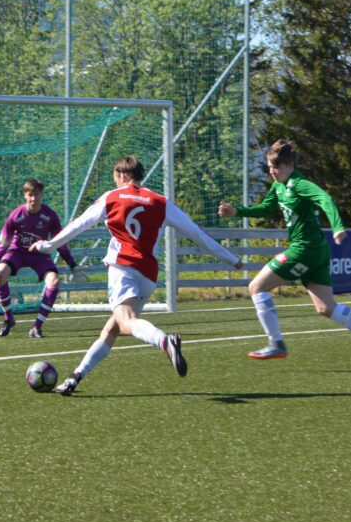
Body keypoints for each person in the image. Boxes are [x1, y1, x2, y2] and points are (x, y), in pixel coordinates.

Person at [30, 156, 243, 395]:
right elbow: (197, 233)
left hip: (123, 268)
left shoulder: (112, 197)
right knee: (112, 329)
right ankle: (75, 377)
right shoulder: (160, 201)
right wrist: (231, 259)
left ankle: (165, 341)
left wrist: (47, 246)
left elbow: (79, 224)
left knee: (127, 322)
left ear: (121, 175)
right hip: (148, 276)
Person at [218, 138, 351, 366]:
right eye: (270, 167)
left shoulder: (299, 184)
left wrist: (338, 226)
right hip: (316, 251)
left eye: (277, 167)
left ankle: (276, 343)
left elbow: (325, 199)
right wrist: (237, 211)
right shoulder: (278, 185)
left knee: (256, 287)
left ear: (290, 165)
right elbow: (265, 209)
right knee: (326, 308)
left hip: (305, 249)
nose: (272, 172)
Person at [0, 179, 87, 338]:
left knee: (54, 281)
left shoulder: (50, 216)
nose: (34, 199)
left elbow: (60, 242)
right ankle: (8, 318)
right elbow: (3, 242)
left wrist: (73, 265)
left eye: (37, 195)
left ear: (42, 195)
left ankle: (37, 327)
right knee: (0, 272)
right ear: (25, 195)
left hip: (39, 256)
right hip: (17, 252)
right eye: (30, 195)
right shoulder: (15, 215)